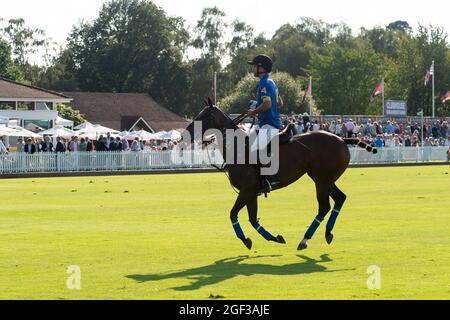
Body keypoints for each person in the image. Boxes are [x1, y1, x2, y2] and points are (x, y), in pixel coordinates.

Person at [247, 54, 282, 194]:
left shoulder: (264, 84)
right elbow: (279, 103)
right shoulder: (271, 82)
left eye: (255, 66)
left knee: (254, 150)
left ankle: (270, 180)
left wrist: (253, 112)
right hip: (269, 122)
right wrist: (258, 105)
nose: (253, 69)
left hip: (269, 124)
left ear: (261, 68)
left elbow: (267, 105)